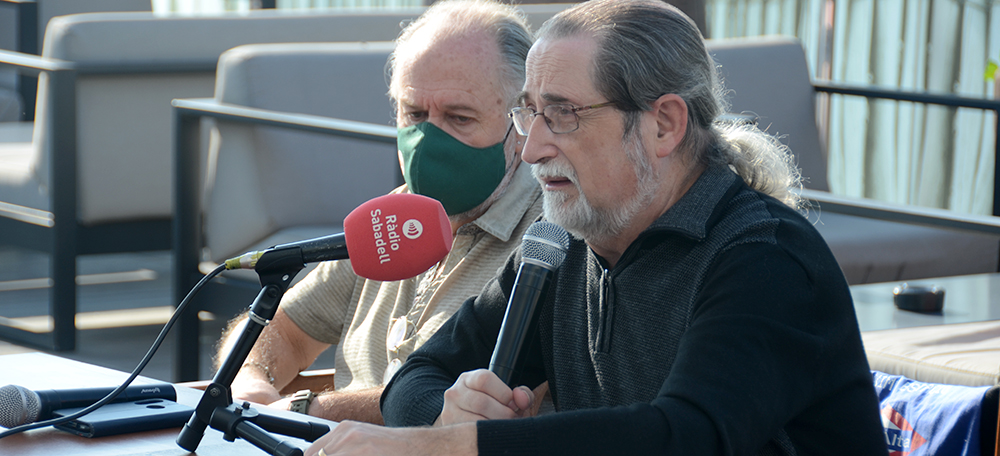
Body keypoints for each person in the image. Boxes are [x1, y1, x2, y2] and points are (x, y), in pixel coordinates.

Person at [305, 1, 887, 455]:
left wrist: (458, 445)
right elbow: (417, 375)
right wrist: (448, 412)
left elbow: (685, 437)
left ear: (663, 125)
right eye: (527, 112)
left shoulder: (766, 257)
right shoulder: (564, 245)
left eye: (562, 114)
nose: (531, 148)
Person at [217, 0, 543, 425]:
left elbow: (476, 403)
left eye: (459, 117)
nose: (427, 142)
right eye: (415, 114)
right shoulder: (390, 217)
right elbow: (285, 329)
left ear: (523, 122)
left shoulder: (549, 241)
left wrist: (310, 410)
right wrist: (250, 381)